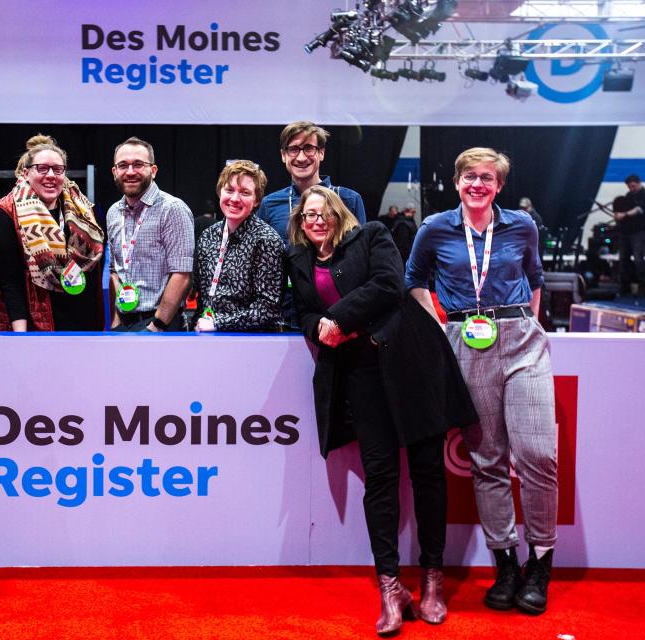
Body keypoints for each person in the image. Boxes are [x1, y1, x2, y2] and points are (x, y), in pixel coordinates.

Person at [288, 186, 477, 635]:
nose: (315, 220)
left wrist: (338, 319)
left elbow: (389, 285)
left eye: (322, 212)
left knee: (429, 471)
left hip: (411, 363)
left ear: (337, 214)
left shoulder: (372, 235)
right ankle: (391, 587)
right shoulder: (297, 261)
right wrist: (318, 327)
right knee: (381, 479)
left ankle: (432, 577)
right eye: (307, 214)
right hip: (360, 377)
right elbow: (302, 314)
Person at [405, 147, 558, 615]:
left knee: (538, 454)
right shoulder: (434, 228)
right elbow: (413, 280)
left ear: (499, 185)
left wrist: (527, 326)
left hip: (521, 342)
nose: (478, 184)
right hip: (465, 342)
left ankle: (541, 563)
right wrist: (441, 328)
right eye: (469, 176)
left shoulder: (521, 226)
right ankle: (506, 565)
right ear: (456, 182)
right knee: (487, 459)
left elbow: (535, 278)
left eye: (487, 178)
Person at [0, 135, 105, 331]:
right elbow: (9, 285)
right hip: (35, 327)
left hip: (83, 325)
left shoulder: (84, 211)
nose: (51, 175)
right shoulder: (3, 214)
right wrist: (20, 339)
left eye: (58, 169)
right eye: (42, 168)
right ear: (25, 173)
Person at [107, 137, 194, 331]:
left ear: (153, 171)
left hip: (160, 325)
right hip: (124, 324)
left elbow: (182, 274)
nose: (130, 172)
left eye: (138, 164)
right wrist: (115, 321)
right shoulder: (113, 212)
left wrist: (157, 325)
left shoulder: (172, 209)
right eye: (123, 165)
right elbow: (115, 270)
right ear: (115, 172)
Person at [192, 160, 284, 332]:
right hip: (206, 335)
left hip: (250, 342)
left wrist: (218, 323)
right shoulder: (207, 236)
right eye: (229, 190)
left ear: (257, 200)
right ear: (220, 192)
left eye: (245, 192)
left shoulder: (267, 240)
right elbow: (202, 299)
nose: (234, 199)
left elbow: (268, 310)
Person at [256, 120, 366, 247]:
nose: (301, 158)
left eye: (309, 148)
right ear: (283, 155)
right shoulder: (269, 204)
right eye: (293, 149)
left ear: (321, 153)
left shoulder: (350, 200)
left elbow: (360, 253)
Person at [615, 174, 645, 294]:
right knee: (623, 260)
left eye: (632, 186)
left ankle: (643, 286)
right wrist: (618, 215)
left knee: (638, 259)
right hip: (625, 232)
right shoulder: (628, 195)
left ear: (638, 183)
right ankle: (624, 287)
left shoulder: (643, 195)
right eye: (629, 187)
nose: (631, 189)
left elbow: (639, 209)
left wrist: (624, 214)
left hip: (638, 232)